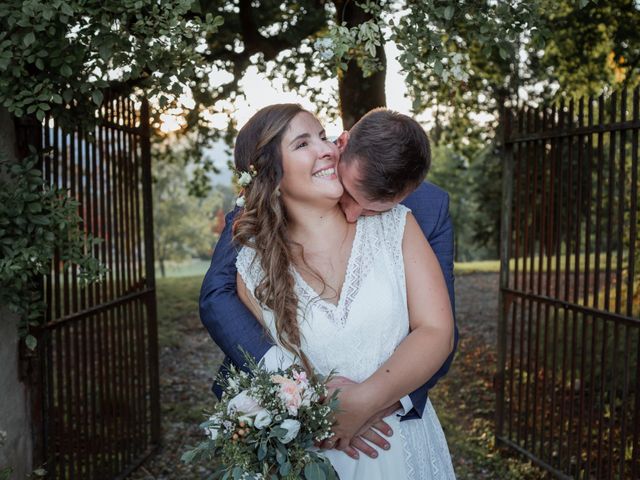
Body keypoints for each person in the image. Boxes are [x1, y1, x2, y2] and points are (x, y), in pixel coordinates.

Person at [200, 105, 459, 461]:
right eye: (303, 142)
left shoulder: (403, 218)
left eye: (322, 136)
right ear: (271, 175)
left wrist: (368, 402)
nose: (325, 148)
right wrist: (309, 401)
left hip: (398, 440)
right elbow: (217, 300)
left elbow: (438, 330)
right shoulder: (250, 257)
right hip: (312, 449)